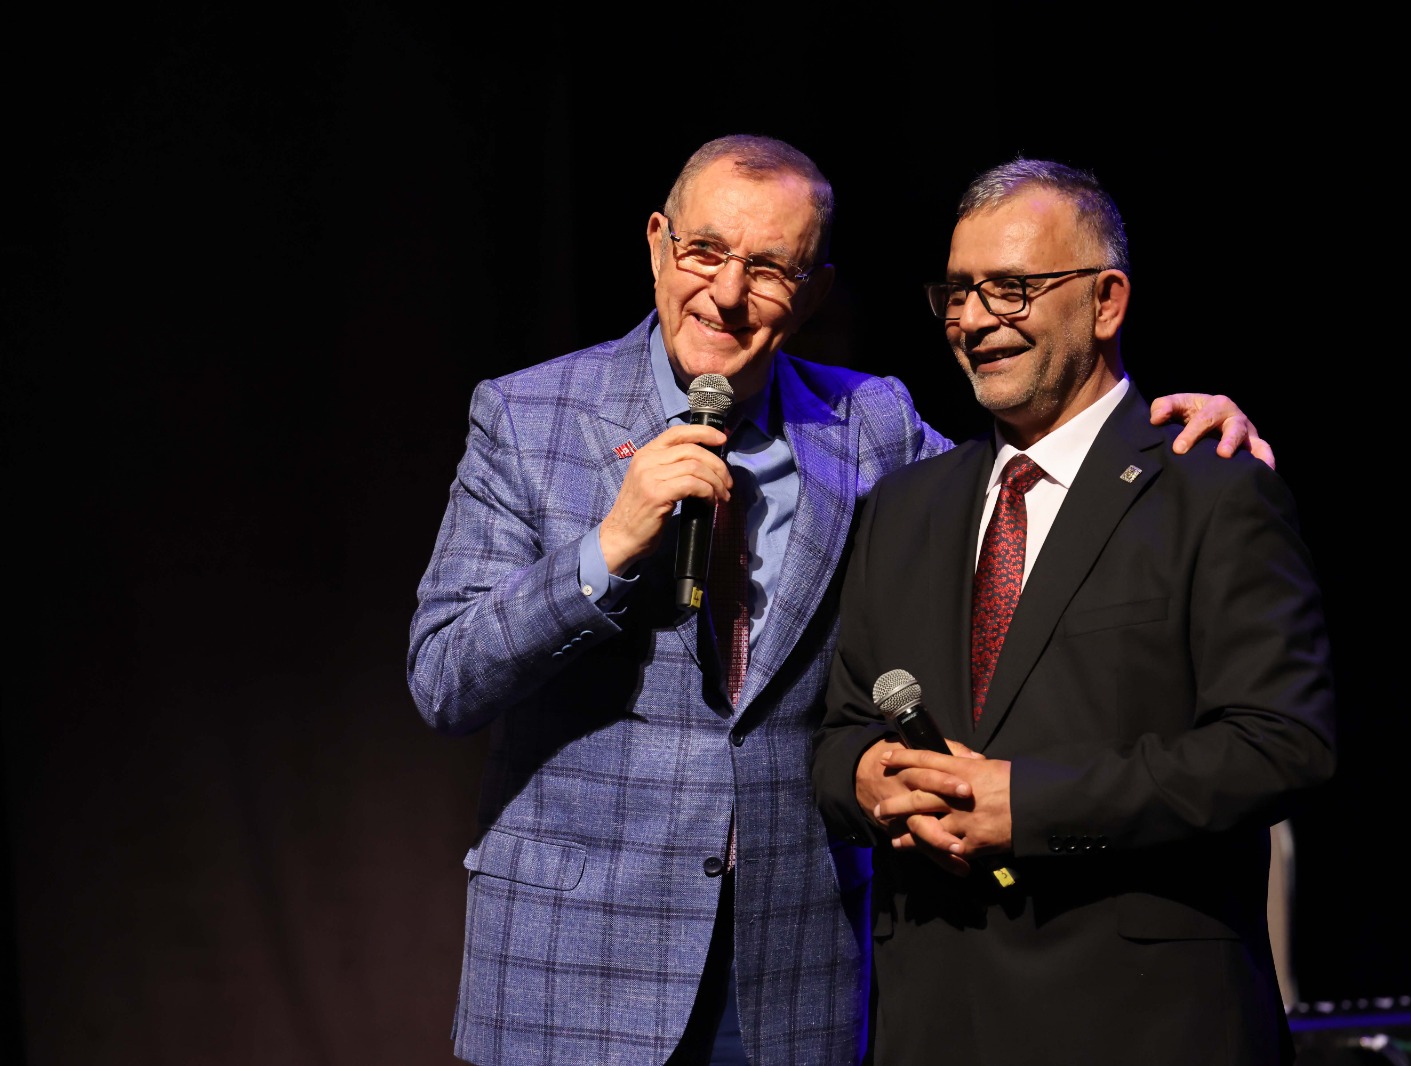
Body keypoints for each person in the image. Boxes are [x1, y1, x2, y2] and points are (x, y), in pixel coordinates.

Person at [407, 134, 1275, 1066]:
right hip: (575, 962)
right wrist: (608, 546)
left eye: (768, 268)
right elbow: (443, 678)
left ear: (813, 292)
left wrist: (1163, 437)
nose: (726, 293)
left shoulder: (871, 424)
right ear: (658, 244)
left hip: (790, 968)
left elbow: (1038, 490)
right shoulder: (528, 416)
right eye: (704, 251)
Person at [810, 157, 1337, 1065]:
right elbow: (838, 733)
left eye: (1011, 289)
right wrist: (865, 778)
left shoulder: (1210, 486)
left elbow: (1282, 745)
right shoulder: (904, 507)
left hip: (1146, 1025)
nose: (975, 320)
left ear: (1106, 301)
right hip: (937, 1024)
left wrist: (1030, 804)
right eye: (958, 292)